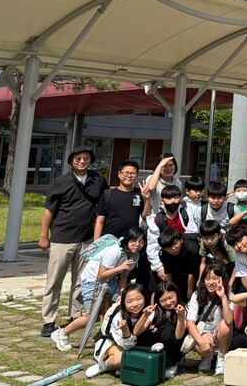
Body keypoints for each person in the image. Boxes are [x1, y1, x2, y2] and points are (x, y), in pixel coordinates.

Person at [40, 145, 110, 338]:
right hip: (62, 238)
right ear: (71, 161)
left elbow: (107, 200)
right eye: (78, 158)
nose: (82, 161)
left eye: (86, 158)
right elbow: (49, 211)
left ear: (91, 161)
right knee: (54, 280)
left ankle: (75, 316)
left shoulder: (97, 179)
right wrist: (44, 236)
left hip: (87, 239)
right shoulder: (61, 182)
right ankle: (48, 321)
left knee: (81, 281)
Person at [51, 227, 146, 352]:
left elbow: (124, 278)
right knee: (92, 315)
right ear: (127, 240)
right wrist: (120, 268)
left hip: (110, 280)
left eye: (141, 242)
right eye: (134, 241)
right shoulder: (115, 251)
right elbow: (101, 275)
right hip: (92, 280)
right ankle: (62, 333)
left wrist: (122, 294)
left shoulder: (134, 256)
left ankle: (105, 336)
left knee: (114, 309)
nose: (138, 245)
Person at [85, 284, 149, 378]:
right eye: (129, 301)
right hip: (113, 342)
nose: (135, 304)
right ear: (123, 302)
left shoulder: (149, 311)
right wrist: (125, 330)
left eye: (139, 298)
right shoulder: (118, 316)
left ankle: (123, 366)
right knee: (121, 359)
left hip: (135, 344)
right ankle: (104, 365)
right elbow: (125, 345)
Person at [184, 263, 234, 376]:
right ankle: (207, 357)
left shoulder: (229, 295)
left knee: (225, 325)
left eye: (215, 278)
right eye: (207, 279)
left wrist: (223, 297)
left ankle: (221, 359)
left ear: (222, 279)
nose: (211, 282)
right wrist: (201, 342)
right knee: (205, 338)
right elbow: (190, 323)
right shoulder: (197, 295)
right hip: (204, 333)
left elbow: (229, 321)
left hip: (220, 334)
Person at [135, 282, 188, 378]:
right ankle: (146, 359)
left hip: (174, 344)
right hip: (156, 345)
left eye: (171, 297)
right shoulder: (155, 311)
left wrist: (181, 317)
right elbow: (136, 332)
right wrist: (145, 315)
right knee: (145, 332)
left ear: (177, 294)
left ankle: (171, 363)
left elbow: (178, 336)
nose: (168, 302)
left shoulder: (184, 309)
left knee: (168, 331)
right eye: (163, 300)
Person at [94, 160, 148, 240]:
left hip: (131, 241)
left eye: (133, 173)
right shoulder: (108, 194)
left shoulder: (139, 194)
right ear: (119, 174)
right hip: (110, 241)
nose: (129, 175)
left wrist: (147, 199)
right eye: (126, 173)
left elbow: (146, 217)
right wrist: (96, 242)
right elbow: (100, 221)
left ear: (137, 176)